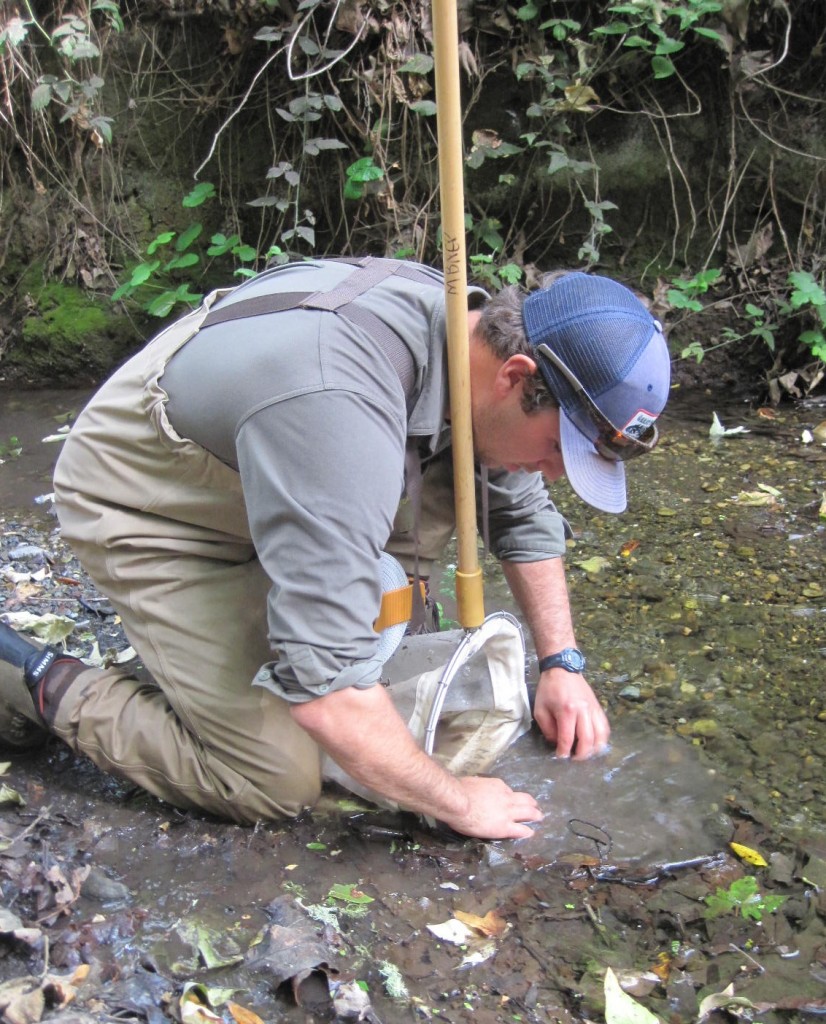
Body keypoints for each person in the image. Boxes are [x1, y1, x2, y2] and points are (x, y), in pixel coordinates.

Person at [0, 257, 670, 840]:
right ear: (516, 375)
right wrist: (457, 799)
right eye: (559, 450)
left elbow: (520, 515)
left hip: (282, 462)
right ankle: (29, 679)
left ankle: (247, 636)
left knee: (431, 567)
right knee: (275, 779)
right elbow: (327, 692)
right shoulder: (338, 409)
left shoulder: (473, 347)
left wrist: (562, 662)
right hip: (154, 502)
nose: (557, 473)